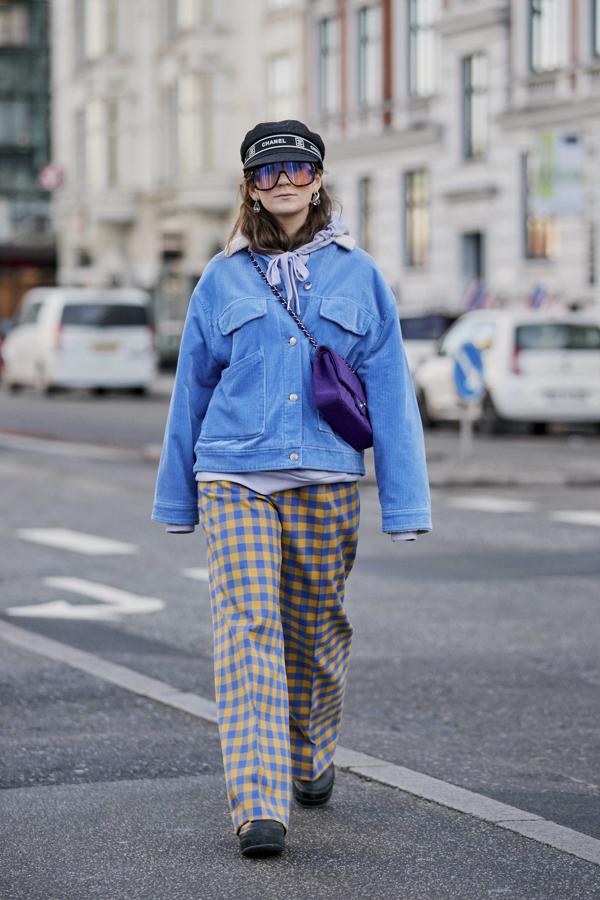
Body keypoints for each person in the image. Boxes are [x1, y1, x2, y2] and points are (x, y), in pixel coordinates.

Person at [151, 119, 432, 858]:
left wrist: (406, 503)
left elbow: (392, 392)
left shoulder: (360, 274)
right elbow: (191, 390)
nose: (282, 182)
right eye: (266, 172)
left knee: (316, 630)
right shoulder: (220, 279)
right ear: (249, 185)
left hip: (327, 476)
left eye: (296, 168)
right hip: (233, 475)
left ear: (317, 177)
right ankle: (259, 804)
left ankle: (310, 750)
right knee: (247, 632)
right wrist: (177, 496)